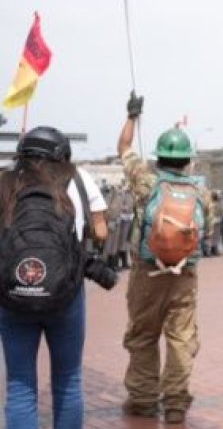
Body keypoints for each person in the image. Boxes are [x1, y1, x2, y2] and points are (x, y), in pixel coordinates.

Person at [0, 126, 110, 429]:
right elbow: (101, 231)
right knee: (68, 380)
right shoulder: (78, 179)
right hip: (65, 293)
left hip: (13, 294)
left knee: (20, 385)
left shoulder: (5, 182)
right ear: (62, 155)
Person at [118, 93, 210, 425]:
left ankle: (143, 399)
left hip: (147, 271)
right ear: (187, 160)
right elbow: (206, 231)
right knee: (181, 338)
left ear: (159, 158)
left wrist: (132, 116)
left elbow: (124, 149)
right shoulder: (201, 191)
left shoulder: (146, 181)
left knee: (143, 334)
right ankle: (175, 402)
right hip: (185, 273)